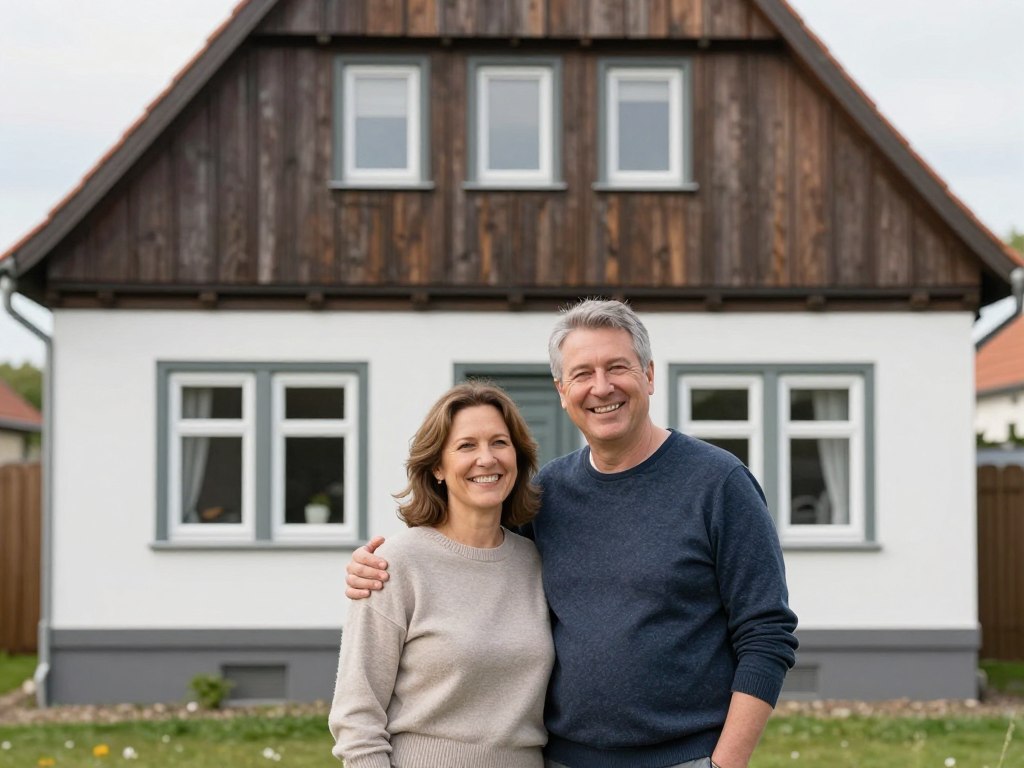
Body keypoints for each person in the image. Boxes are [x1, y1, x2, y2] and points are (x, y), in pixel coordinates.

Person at [345, 300, 799, 768]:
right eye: (582, 374)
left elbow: (767, 633)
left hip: (685, 757)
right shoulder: (546, 496)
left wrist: (725, 765)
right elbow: (464, 550)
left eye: (617, 367)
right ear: (562, 391)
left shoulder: (719, 484)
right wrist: (376, 567)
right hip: (563, 759)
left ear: (649, 375)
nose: (601, 388)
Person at [329, 382, 555, 768]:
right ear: (437, 466)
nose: (487, 459)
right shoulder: (395, 565)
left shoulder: (536, 562)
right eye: (467, 446)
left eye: (499, 443)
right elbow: (356, 718)